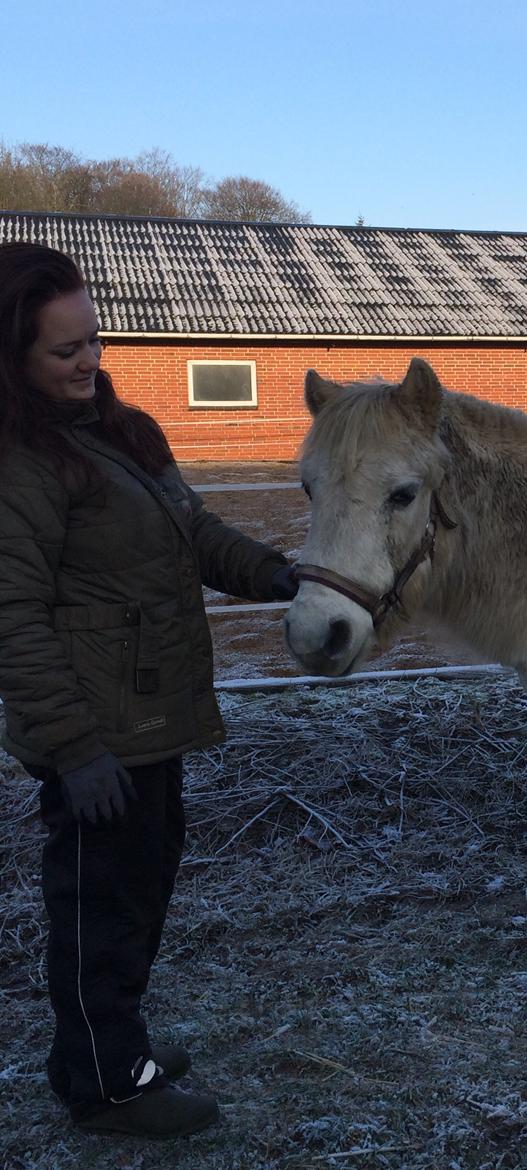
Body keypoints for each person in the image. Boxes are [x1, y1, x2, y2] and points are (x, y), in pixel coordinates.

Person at [0, 243, 299, 1138]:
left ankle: (97, 1052)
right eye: (65, 351)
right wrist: (75, 750)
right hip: (96, 734)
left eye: (93, 340)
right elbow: (11, 615)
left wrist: (277, 572)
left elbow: (194, 532)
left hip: (148, 712)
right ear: (13, 357)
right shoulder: (20, 463)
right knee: (99, 908)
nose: (89, 361)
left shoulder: (118, 431)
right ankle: (108, 1087)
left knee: (139, 891)